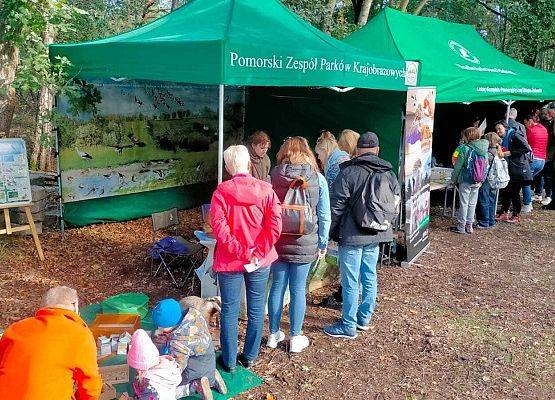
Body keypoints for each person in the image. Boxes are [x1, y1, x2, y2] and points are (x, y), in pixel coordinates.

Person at [210, 145, 282, 371]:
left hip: (230, 260)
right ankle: (250, 356)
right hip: (259, 260)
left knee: (230, 310)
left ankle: (229, 361)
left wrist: (242, 251)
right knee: (256, 307)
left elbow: (219, 228)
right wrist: (258, 252)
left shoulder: (221, 192)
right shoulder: (267, 190)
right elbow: (275, 225)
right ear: (249, 164)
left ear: (228, 166)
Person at [323, 132, 400, 339]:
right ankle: (364, 318)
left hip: (351, 235)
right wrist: (383, 224)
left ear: (357, 150)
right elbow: (395, 206)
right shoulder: (389, 173)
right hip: (375, 234)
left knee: (350, 281)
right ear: (377, 150)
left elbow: (336, 207)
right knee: (369, 276)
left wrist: (331, 233)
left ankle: (348, 325)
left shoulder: (348, 172)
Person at [267, 136, 331, 353]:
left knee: (276, 287)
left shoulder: (273, 176)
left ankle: (273, 335)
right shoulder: (317, 178)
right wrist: (323, 242)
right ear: (307, 153)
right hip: (306, 241)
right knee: (298, 290)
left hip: (278, 240)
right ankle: (295, 336)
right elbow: (324, 214)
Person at [0, 286, 102, 400]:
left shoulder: (14, 329)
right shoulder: (79, 333)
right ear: (75, 305)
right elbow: (91, 387)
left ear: (44, 306)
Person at [151, 298, 227, 400]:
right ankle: (212, 378)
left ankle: (195, 386)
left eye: (161, 327)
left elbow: (178, 367)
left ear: (169, 325)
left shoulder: (178, 343)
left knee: (169, 389)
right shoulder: (194, 314)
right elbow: (190, 338)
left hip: (194, 369)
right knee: (207, 371)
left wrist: (161, 367)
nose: (159, 329)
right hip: (208, 357)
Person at [450, 127, 489, 234]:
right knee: (472, 203)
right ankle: (469, 226)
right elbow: (486, 166)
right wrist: (482, 180)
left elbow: (458, 167)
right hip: (478, 180)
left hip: (466, 180)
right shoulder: (484, 149)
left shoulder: (464, 149)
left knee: (464, 203)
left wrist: (453, 179)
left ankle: (461, 226)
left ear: (467, 136)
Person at [127, 329, 182, 400]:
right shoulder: (165, 365)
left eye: (136, 367)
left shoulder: (149, 386)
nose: (136, 370)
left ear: (140, 368)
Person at [497, 118, 533, 223]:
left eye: (499, 129)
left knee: (514, 192)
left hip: (519, 168)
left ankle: (516, 215)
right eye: (497, 130)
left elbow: (526, 148)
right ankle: (504, 212)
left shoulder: (515, 135)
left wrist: (510, 152)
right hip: (510, 167)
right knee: (506, 190)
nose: (498, 131)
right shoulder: (504, 138)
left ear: (505, 127)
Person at [521, 113, 548, 213]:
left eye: (525, 123)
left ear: (530, 121)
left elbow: (525, 144)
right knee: (529, 180)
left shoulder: (529, 131)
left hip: (533, 159)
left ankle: (527, 205)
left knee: (525, 182)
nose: (525, 125)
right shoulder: (544, 129)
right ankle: (532, 198)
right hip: (542, 160)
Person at [475, 132, 504, 229]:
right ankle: (491, 220)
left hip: (487, 179)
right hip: (495, 179)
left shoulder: (487, 154)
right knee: (492, 200)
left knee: (483, 200)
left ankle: (484, 222)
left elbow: (484, 168)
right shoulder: (498, 152)